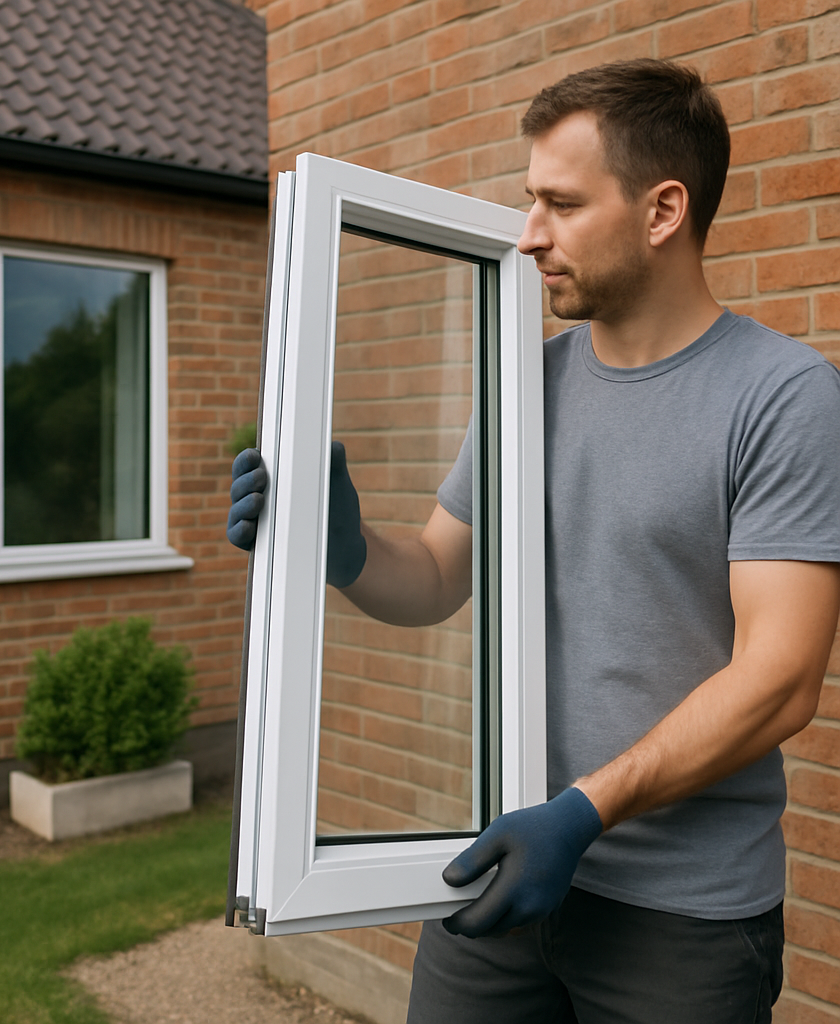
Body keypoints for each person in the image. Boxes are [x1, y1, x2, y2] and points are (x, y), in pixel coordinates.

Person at [227, 59, 840, 1022]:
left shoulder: (781, 397)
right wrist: (335, 547)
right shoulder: (525, 379)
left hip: (680, 921)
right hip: (496, 877)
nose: (529, 236)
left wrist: (583, 812)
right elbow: (433, 576)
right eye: (528, 202)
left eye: (560, 204)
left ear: (662, 211)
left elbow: (783, 678)